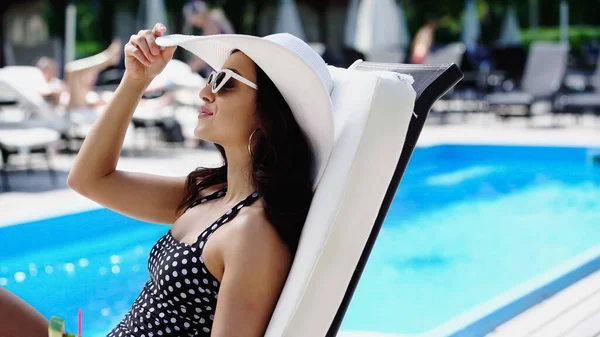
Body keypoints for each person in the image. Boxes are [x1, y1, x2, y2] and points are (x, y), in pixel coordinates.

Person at [0, 22, 334, 337]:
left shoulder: (253, 234)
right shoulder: (210, 194)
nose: (205, 91)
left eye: (225, 83)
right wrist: (135, 80)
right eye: (212, 78)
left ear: (269, 112)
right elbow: (90, 179)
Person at [183, 0, 235, 76]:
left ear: (200, 14)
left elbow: (204, 54)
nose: (193, 23)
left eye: (193, 18)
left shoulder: (212, 22)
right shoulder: (213, 20)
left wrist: (186, 71)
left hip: (225, 71)